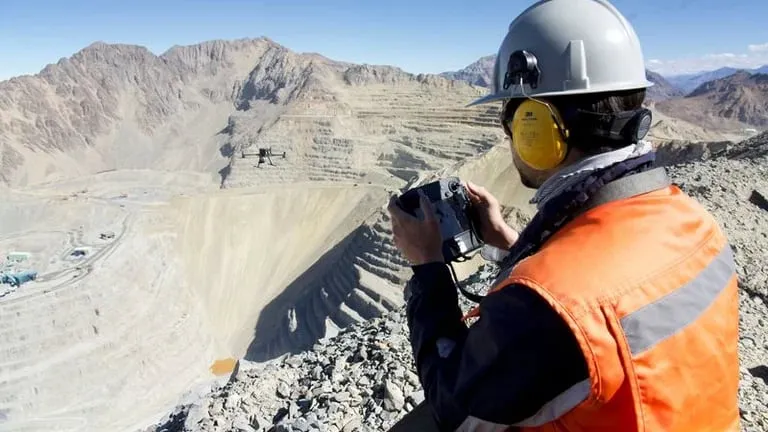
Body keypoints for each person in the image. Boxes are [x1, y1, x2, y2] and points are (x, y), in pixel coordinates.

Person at [386, 0, 741, 431]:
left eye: (512, 120)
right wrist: (509, 241)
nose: (511, 137)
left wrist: (428, 271)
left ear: (538, 125)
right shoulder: (695, 223)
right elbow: (603, 279)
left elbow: (451, 403)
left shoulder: (546, 305)